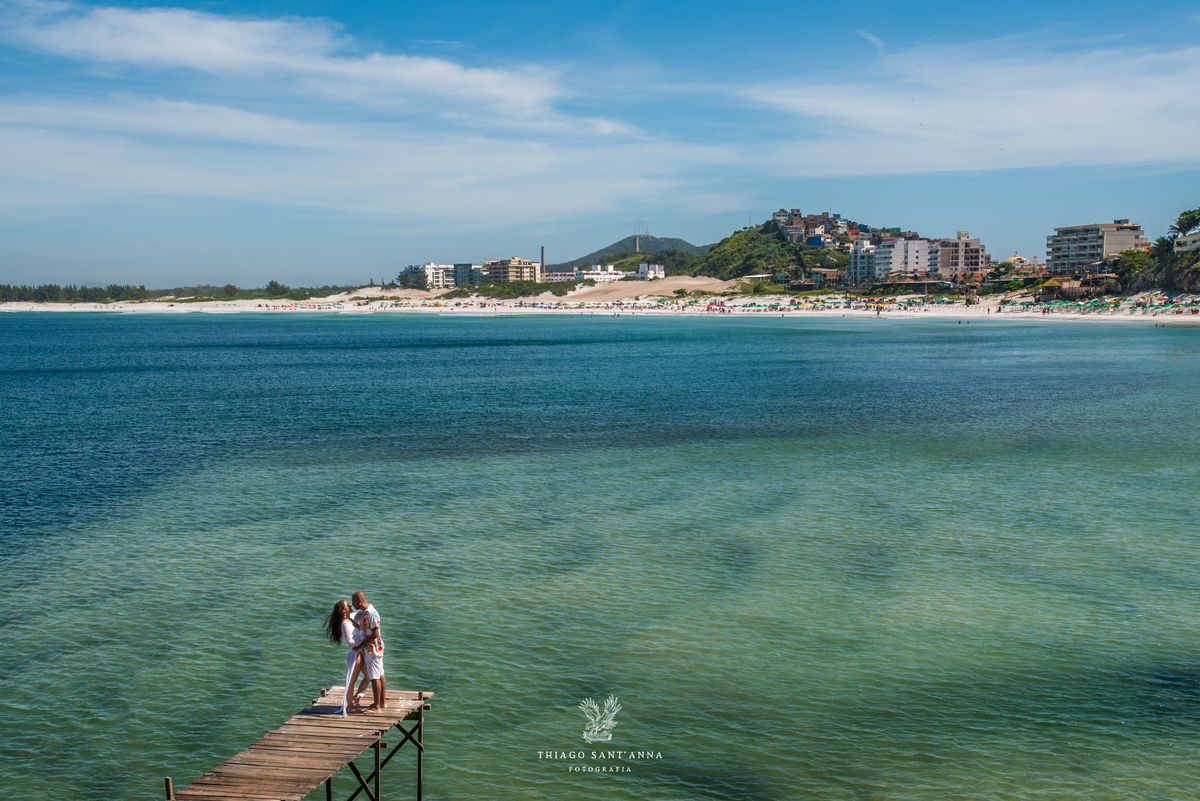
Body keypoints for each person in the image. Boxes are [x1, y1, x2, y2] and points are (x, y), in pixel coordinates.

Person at [325, 599, 366, 717]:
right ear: (343, 610)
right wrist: (362, 632)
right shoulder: (345, 624)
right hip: (354, 653)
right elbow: (350, 641)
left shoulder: (350, 617)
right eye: (347, 605)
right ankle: (350, 706)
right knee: (352, 680)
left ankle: (355, 698)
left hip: (359, 652)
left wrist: (367, 607)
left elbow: (360, 613)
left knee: (368, 676)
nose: (350, 605)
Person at [351, 591, 387, 713]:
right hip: (372, 649)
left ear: (360, 601)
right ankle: (381, 702)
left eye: (354, 602)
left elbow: (376, 633)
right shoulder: (363, 613)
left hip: (372, 650)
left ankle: (377, 707)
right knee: (380, 674)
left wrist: (361, 645)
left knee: (374, 677)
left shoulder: (371, 613)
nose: (353, 604)